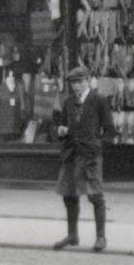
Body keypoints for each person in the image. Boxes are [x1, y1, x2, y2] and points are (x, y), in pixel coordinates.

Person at [51, 69, 112, 252]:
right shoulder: (68, 102)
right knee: (69, 195)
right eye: (73, 83)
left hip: (90, 154)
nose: (76, 86)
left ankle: (101, 237)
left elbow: (109, 130)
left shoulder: (99, 100)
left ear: (88, 81)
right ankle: (72, 235)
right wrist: (61, 132)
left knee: (95, 195)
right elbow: (62, 126)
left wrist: (98, 146)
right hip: (71, 154)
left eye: (79, 82)